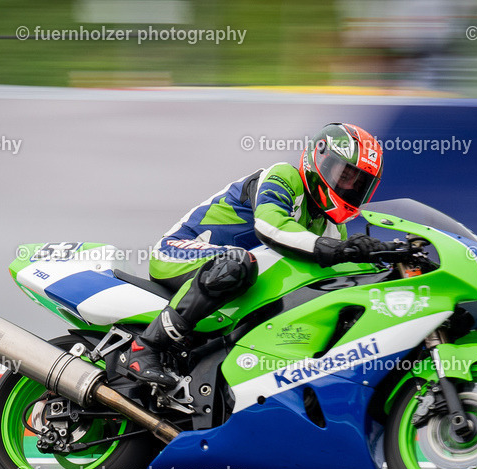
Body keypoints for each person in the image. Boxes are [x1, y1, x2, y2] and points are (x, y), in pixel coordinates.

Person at [125, 122, 395, 388]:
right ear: (320, 159)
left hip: (234, 280)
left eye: (359, 183)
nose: (349, 187)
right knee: (236, 263)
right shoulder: (285, 176)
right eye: (345, 175)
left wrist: (378, 258)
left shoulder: (333, 227)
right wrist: (338, 250)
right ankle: (145, 347)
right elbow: (271, 226)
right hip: (179, 251)